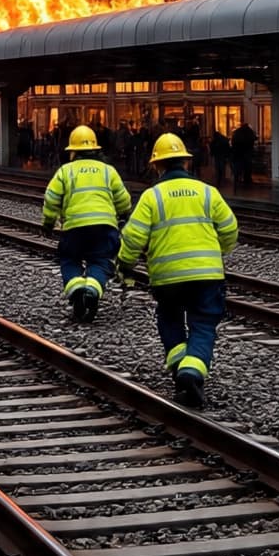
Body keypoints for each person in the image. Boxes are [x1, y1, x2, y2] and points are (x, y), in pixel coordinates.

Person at [116, 132, 239, 408]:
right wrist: (218, 253)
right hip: (207, 276)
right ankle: (191, 371)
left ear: (157, 165)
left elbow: (133, 237)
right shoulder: (208, 192)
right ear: (186, 163)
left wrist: (125, 264)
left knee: (170, 318)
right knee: (204, 323)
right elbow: (230, 229)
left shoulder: (151, 196)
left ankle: (180, 365)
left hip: (167, 278)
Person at [41, 124, 131, 323]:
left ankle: (76, 291)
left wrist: (48, 223)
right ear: (96, 149)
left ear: (73, 151)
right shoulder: (108, 171)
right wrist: (124, 214)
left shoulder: (65, 171)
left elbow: (51, 199)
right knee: (101, 261)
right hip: (104, 227)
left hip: (74, 228)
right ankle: (91, 290)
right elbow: (123, 200)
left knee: (69, 259)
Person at [230, 121, 257, 189]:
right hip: (247, 153)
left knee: (239, 167)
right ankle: (247, 179)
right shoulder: (250, 132)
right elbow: (254, 138)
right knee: (247, 167)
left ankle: (238, 178)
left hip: (238, 153)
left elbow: (233, 142)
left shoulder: (237, 132)